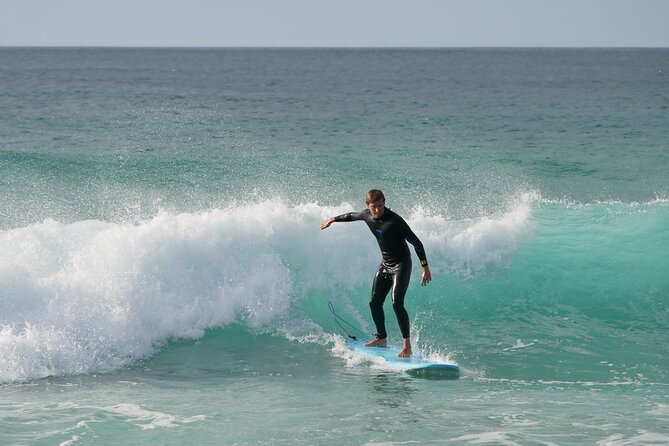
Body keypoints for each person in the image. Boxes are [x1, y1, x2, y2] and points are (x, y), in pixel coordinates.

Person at [320, 189, 431, 357]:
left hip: (401, 264)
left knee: (397, 303)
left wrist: (425, 267)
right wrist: (333, 219)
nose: (377, 210)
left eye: (380, 206)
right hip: (385, 264)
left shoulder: (395, 221)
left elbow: (417, 242)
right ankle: (381, 338)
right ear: (368, 206)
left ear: (384, 203)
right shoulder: (366, 215)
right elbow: (351, 216)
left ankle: (407, 346)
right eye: (374, 207)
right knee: (374, 302)